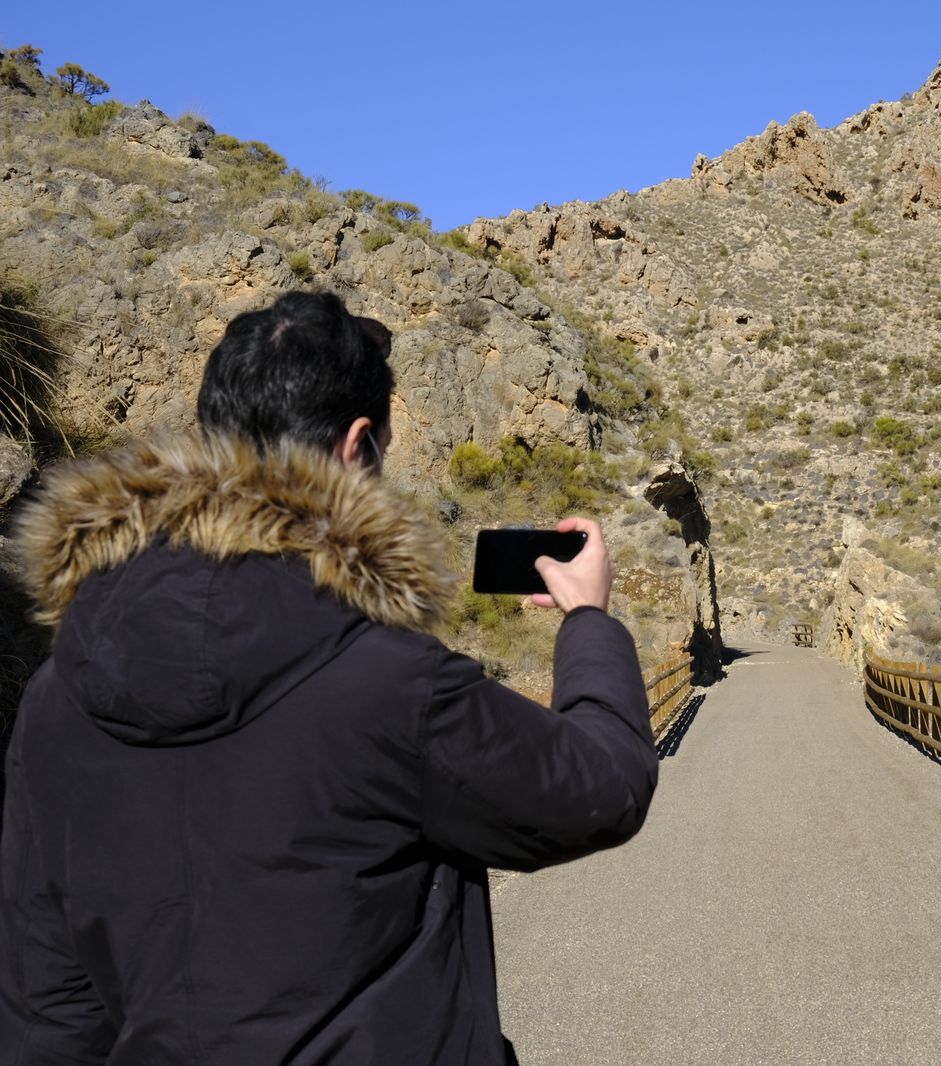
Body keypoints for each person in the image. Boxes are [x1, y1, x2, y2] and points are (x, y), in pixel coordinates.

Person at [0, 290, 659, 1063]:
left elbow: (47, 997)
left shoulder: (56, 695)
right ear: (357, 447)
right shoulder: (389, 683)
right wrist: (589, 621)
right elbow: (599, 791)